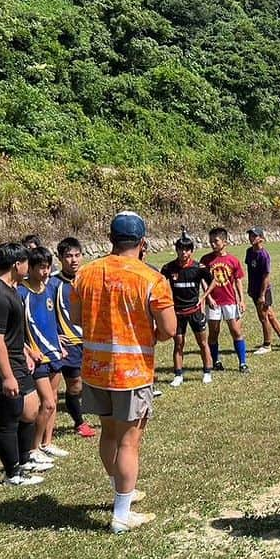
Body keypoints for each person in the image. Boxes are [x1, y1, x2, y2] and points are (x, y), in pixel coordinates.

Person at [72, 212, 176, 533]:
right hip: (131, 373)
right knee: (130, 442)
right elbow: (169, 328)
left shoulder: (86, 273)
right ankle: (121, 512)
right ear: (143, 243)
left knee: (109, 433)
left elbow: (78, 318)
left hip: (95, 370)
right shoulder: (152, 279)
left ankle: (122, 489)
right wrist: (152, 334)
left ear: (110, 240)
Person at [0, 242, 47, 486]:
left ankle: (25, 458)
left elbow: (11, 333)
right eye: (26, 261)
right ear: (17, 264)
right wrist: (6, 376)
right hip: (0, 366)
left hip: (17, 359)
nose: (28, 265)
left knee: (30, 410)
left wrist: (27, 350)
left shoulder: (12, 289)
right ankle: (12, 474)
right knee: (9, 418)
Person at [18, 246, 68, 464]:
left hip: (54, 353)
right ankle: (33, 448)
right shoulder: (21, 292)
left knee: (54, 400)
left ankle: (47, 443)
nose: (46, 272)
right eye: (41, 268)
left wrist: (59, 340)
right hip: (38, 358)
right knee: (46, 403)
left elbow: (52, 319)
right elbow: (17, 329)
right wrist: (28, 350)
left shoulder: (50, 289)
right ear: (30, 268)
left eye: (48, 267)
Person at [53, 237, 95, 438]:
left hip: (93, 341)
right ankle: (79, 422)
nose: (73, 260)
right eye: (68, 256)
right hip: (70, 345)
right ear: (60, 258)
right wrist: (54, 336)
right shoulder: (53, 284)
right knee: (75, 384)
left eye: (77, 255)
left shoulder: (89, 278)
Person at [162, 233, 216, 386]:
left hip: (195, 311)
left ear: (191, 251)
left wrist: (204, 297)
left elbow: (213, 282)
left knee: (202, 343)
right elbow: (160, 284)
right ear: (176, 250)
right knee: (178, 343)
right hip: (177, 313)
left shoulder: (198, 267)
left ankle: (207, 371)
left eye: (186, 250)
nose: (183, 253)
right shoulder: (168, 268)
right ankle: (178, 375)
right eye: (180, 249)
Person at [201, 227, 248, 372]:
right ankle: (215, 361)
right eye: (211, 241)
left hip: (230, 301)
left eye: (216, 241)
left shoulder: (233, 260)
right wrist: (208, 297)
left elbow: (238, 280)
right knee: (214, 332)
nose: (213, 244)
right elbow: (202, 280)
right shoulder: (205, 260)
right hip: (214, 302)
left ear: (225, 242)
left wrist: (241, 299)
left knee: (236, 331)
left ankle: (242, 363)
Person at [245, 227, 280, 355]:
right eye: (250, 235)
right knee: (270, 315)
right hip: (254, 290)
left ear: (261, 238)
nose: (251, 238)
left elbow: (266, 277)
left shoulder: (264, 255)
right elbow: (250, 272)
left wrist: (262, 295)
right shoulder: (249, 252)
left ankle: (267, 345)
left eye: (254, 236)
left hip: (263, 291)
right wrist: (250, 288)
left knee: (263, 317)